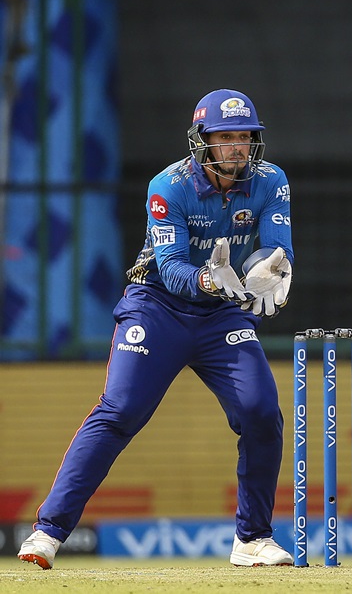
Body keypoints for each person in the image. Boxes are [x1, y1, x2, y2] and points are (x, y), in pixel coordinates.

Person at [17, 89, 295, 569]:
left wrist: (273, 269)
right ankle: (48, 531)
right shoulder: (169, 186)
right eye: (224, 137)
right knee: (120, 410)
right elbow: (169, 269)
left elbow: (275, 248)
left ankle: (252, 539)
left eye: (245, 137)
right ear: (201, 141)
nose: (237, 147)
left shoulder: (271, 180)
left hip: (224, 314)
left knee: (261, 411)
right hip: (157, 307)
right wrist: (209, 278)